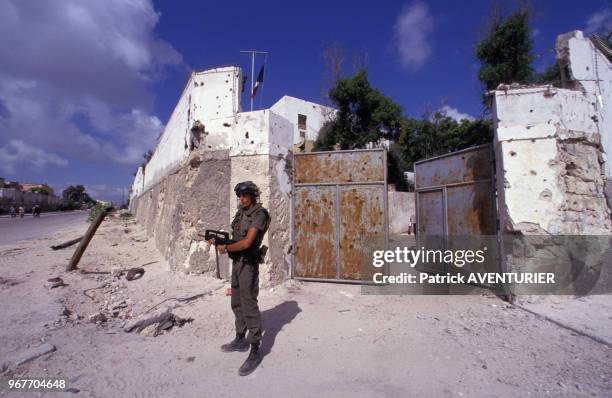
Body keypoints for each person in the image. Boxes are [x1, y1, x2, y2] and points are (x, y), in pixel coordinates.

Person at [213, 181, 270, 376]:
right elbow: (236, 238)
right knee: (236, 302)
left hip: (248, 265)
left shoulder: (259, 214)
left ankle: (255, 349)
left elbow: (247, 242)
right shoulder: (241, 213)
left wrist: (226, 248)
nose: (242, 199)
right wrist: (221, 241)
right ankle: (240, 339)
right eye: (240, 196)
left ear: (254, 196)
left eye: (245, 195)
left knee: (249, 304)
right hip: (237, 263)